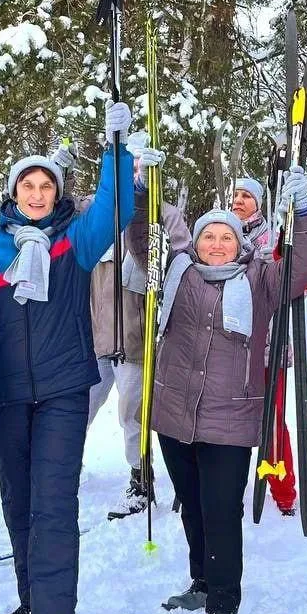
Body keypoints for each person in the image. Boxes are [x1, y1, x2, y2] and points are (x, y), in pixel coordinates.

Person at [0, 102, 156, 614]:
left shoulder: (75, 242)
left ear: (57, 193)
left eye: (46, 186)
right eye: (28, 185)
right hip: (5, 393)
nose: (37, 194)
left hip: (65, 387)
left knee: (54, 501)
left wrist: (115, 149)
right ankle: (29, 597)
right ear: (14, 193)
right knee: (18, 500)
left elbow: (115, 208)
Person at [132, 167, 307, 614]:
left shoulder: (261, 277)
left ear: (240, 242)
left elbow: (303, 268)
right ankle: (200, 582)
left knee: (220, 511)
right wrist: (138, 190)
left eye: (226, 237)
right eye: (208, 236)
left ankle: (223, 606)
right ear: (196, 241)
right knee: (192, 505)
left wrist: (303, 211)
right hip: (175, 414)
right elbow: (137, 239)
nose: (217, 244)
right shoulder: (176, 270)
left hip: (231, 415)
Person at [81, 132, 188, 520]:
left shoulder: (167, 213)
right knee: (80, 407)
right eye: (131, 166)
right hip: (95, 334)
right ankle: (63, 469)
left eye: (144, 166)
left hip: (135, 334)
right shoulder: (96, 209)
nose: (138, 172)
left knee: (132, 413)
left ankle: (140, 480)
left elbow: (179, 267)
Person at [229, 176, 297, 515]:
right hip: (229, 347)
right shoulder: (221, 232)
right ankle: (226, 485)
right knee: (226, 416)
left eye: (246, 196)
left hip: (268, 345)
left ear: (258, 202)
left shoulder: (271, 237)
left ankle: (283, 490)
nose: (238, 201)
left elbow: (286, 275)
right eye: (235, 195)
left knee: (271, 419)